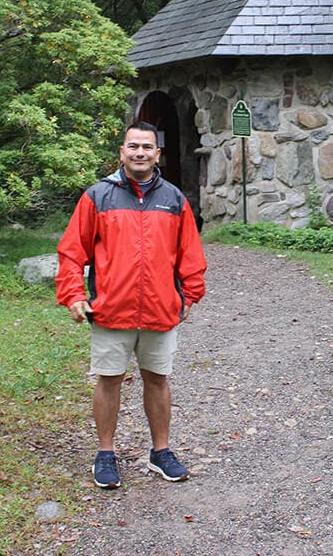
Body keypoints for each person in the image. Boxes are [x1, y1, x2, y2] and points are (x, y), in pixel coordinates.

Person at [56, 121, 207, 489]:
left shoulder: (174, 199)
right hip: (111, 309)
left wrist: (189, 294)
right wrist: (74, 294)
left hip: (159, 310)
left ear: (158, 154)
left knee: (158, 379)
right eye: (133, 146)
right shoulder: (97, 196)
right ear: (121, 152)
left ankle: (161, 452)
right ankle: (105, 454)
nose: (140, 152)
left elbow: (190, 254)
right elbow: (71, 253)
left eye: (147, 147)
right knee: (109, 380)